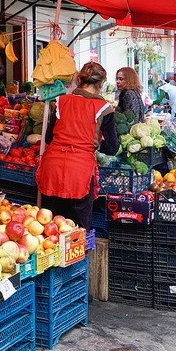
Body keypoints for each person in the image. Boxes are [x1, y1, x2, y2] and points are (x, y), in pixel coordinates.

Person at [35, 62, 119, 230]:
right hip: (80, 171)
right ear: (101, 83)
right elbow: (112, 148)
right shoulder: (104, 108)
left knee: (49, 225)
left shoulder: (61, 101)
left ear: (79, 79)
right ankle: (78, 257)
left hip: (52, 167)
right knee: (77, 229)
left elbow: (49, 137)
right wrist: (93, 144)